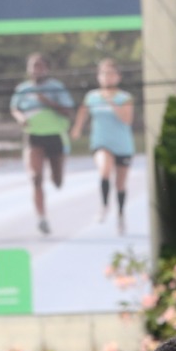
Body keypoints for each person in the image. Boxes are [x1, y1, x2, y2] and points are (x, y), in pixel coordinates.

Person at [10, 52, 74, 235]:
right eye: (33, 66)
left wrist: (47, 102)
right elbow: (14, 108)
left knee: (57, 181)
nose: (36, 69)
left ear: (47, 68)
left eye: (40, 66)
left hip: (55, 136)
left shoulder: (56, 87)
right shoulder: (23, 89)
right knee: (35, 178)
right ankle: (41, 218)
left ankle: (57, 176)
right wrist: (21, 118)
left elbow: (68, 111)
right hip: (34, 136)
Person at [72, 58, 135, 234]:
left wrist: (112, 102)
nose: (107, 77)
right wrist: (77, 128)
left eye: (111, 74)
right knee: (104, 170)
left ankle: (120, 214)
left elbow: (127, 120)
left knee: (120, 184)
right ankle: (104, 205)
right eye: (104, 74)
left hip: (122, 145)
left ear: (118, 77)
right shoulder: (92, 97)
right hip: (101, 142)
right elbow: (83, 112)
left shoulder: (125, 97)